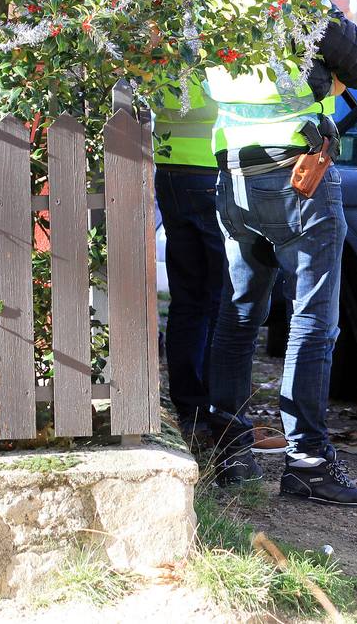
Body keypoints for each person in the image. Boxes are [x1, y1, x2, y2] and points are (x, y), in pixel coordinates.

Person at [203, 0, 357, 507]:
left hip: (234, 171)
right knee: (312, 323)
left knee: (238, 317)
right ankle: (307, 461)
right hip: (300, 175)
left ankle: (231, 453)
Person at [152, 79, 224, 448]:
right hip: (213, 164)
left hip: (168, 166)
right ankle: (222, 417)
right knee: (222, 301)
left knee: (188, 298)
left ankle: (191, 416)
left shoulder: (160, 24)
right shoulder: (224, 23)